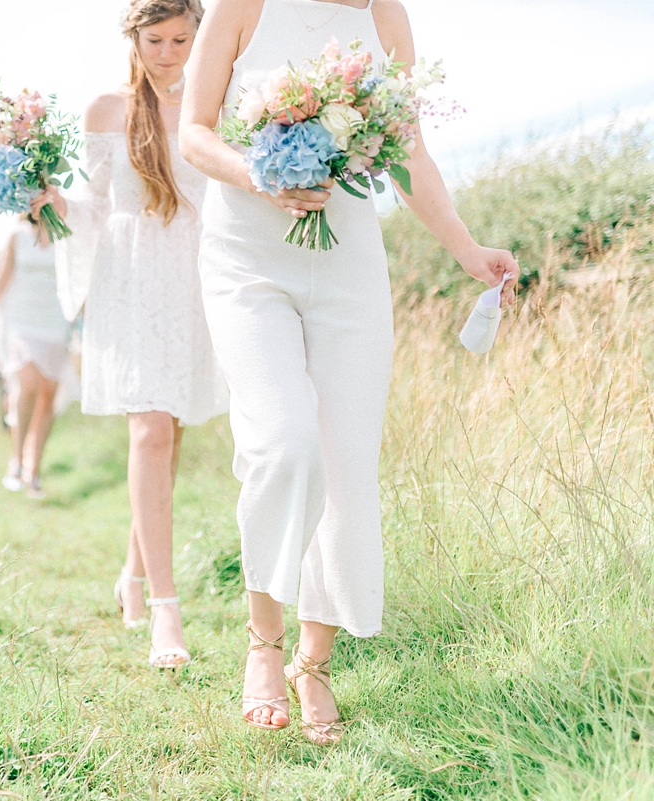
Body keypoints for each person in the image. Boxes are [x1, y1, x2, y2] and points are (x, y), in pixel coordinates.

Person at [179, 0, 518, 742]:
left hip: (349, 268)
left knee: (345, 467)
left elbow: (409, 152)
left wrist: (467, 250)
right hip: (246, 263)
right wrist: (260, 174)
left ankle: (313, 662)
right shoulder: (244, 6)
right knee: (283, 445)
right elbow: (195, 131)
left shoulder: (389, 18)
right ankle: (262, 644)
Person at [37, 0, 228, 669]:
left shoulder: (218, 107)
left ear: (200, 36)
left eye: (182, 39)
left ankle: (132, 572)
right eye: (157, 39)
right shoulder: (106, 111)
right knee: (148, 429)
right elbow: (93, 205)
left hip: (194, 278)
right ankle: (165, 614)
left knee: (169, 433)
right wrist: (55, 205)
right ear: (134, 37)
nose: (169, 52)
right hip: (131, 279)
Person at [0, 215, 78, 500]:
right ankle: (17, 459)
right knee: (27, 384)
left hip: (55, 321)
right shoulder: (16, 236)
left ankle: (34, 469)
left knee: (47, 395)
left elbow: (75, 280)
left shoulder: (65, 235)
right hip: (21, 321)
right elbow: (2, 281)